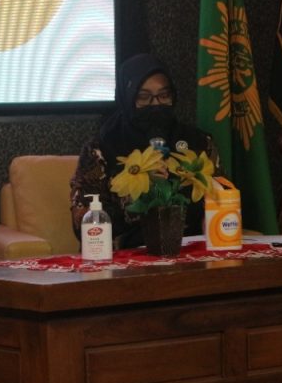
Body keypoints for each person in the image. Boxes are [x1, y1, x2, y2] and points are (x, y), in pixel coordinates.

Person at [70, 53, 221, 249]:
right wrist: (141, 193)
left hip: (190, 251)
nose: (156, 104)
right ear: (127, 98)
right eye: (143, 98)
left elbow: (222, 197)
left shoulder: (197, 143)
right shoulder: (103, 148)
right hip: (123, 255)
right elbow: (82, 223)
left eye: (164, 96)